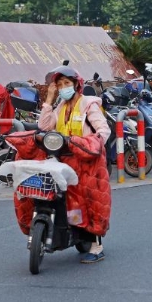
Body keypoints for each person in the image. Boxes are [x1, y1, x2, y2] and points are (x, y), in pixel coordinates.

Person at [34, 65, 112, 263]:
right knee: (68, 200)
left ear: (77, 84)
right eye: (59, 85)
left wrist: (89, 145)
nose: (63, 87)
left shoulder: (89, 104)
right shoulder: (60, 105)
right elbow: (43, 127)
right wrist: (49, 100)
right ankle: (72, 232)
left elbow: (103, 131)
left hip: (87, 161)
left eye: (66, 83)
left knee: (91, 201)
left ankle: (96, 246)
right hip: (64, 160)